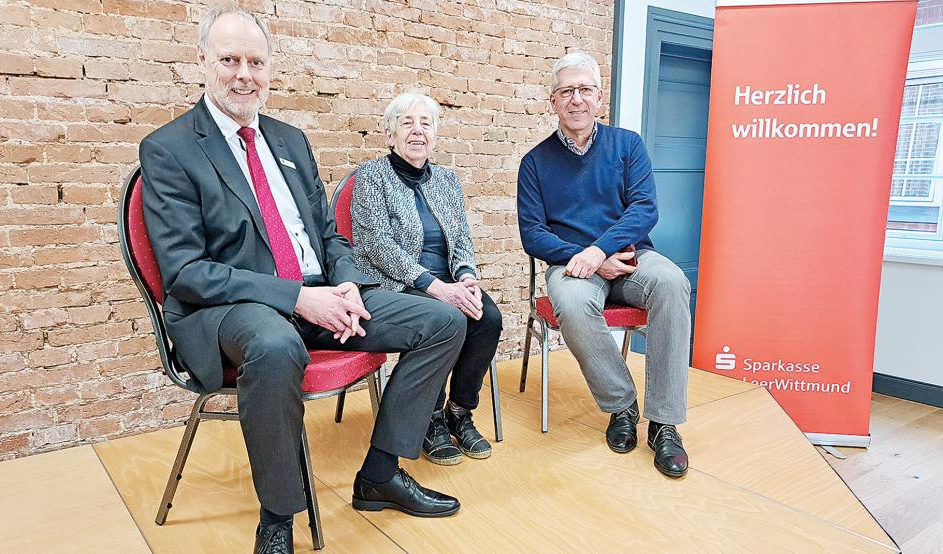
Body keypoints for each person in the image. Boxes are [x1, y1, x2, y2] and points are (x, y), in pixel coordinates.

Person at [139, 7, 465, 553]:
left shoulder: (290, 141)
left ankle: (380, 474)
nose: (244, 74)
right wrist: (298, 298)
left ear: (269, 69)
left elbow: (328, 238)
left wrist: (348, 285)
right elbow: (187, 272)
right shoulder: (169, 149)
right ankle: (278, 515)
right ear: (202, 62)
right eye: (229, 60)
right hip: (233, 305)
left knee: (443, 320)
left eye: (256, 62)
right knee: (274, 345)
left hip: (319, 293)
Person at [517, 52, 690, 478]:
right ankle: (622, 405)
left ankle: (664, 422)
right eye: (566, 91)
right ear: (552, 100)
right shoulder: (534, 163)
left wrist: (602, 251)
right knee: (572, 304)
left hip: (631, 258)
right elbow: (532, 234)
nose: (576, 99)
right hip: (571, 265)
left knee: (671, 282)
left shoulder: (627, 145)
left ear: (599, 98)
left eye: (585, 90)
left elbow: (644, 208)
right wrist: (590, 259)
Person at [350, 93, 503, 466]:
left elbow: (462, 238)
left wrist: (465, 277)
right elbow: (377, 245)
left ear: (435, 134)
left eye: (426, 123)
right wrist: (435, 287)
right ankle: (429, 417)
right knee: (444, 319)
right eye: (407, 123)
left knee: (488, 318)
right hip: (396, 285)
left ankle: (459, 411)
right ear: (389, 134)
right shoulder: (371, 176)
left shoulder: (447, 180)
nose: (418, 131)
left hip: (448, 280)